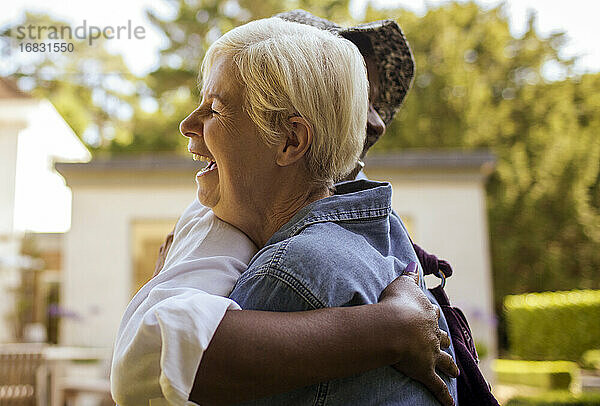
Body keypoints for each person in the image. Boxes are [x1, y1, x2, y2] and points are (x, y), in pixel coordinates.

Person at [111, 13, 457, 406]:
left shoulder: (288, 272)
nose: (187, 124)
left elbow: (149, 362)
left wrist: (391, 328)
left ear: (290, 140)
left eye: (216, 108)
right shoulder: (381, 239)